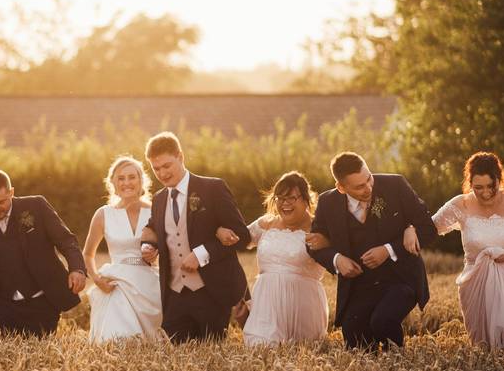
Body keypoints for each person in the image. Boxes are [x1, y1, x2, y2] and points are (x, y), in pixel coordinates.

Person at [403, 151, 504, 356]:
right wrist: (410, 228)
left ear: (499, 180)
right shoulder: (460, 204)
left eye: (491, 186)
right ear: (469, 183)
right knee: (487, 352)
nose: (485, 193)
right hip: (477, 284)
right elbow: (428, 228)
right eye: (478, 188)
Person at [306, 152, 437, 350]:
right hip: (360, 285)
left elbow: (428, 228)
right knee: (353, 334)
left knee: (382, 321)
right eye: (359, 186)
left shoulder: (395, 186)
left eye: (369, 179)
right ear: (341, 187)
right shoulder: (327, 203)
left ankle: (398, 363)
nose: (368, 188)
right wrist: (337, 259)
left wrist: (389, 249)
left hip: (400, 279)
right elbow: (314, 244)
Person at [141, 131, 250, 342]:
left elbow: (242, 236)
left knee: (212, 360)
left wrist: (201, 254)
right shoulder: (159, 198)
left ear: (180, 157)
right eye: (156, 169)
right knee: (174, 362)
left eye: (167, 166)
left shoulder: (212, 188)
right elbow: (153, 227)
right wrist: (147, 245)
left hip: (211, 292)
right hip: (174, 295)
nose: (162, 174)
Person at [0, 170, 87, 336]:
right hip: (2, 305)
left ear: (11, 192)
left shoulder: (36, 206)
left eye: (1, 202)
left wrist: (77, 268)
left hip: (41, 303)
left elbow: (66, 240)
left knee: (37, 349)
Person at [239, 172, 329, 345]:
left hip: (303, 310)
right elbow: (238, 240)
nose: (285, 203)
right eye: (280, 198)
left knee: (302, 349)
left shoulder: (319, 228)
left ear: (305, 199)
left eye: (291, 198)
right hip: (266, 308)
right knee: (261, 348)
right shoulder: (266, 223)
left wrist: (327, 241)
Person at [83, 156, 162, 342]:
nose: (127, 182)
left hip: (149, 283)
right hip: (116, 284)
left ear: (141, 180)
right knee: (119, 340)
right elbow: (87, 254)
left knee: (154, 344)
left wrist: (156, 253)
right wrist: (97, 279)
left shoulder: (156, 211)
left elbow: (169, 248)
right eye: (121, 178)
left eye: (132, 177)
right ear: (113, 183)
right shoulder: (103, 214)